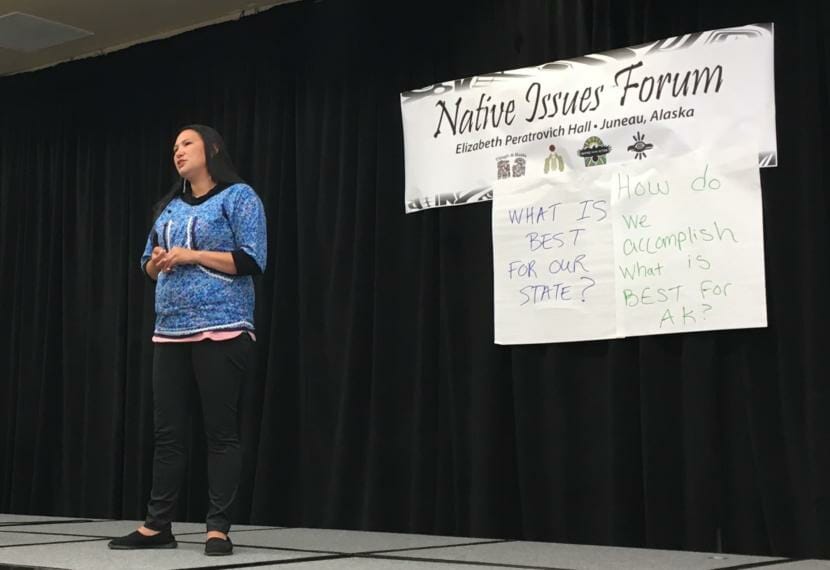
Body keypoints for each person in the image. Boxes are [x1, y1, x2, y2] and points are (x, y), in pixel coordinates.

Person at [108, 125, 267, 556]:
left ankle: (218, 527)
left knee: (220, 432)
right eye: (174, 147)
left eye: (187, 143)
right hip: (170, 330)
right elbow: (146, 264)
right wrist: (158, 263)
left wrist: (193, 255)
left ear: (212, 149)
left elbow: (252, 258)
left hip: (223, 326)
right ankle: (158, 524)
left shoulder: (239, 197)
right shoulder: (168, 208)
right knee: (168, 434)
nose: (177, 152)